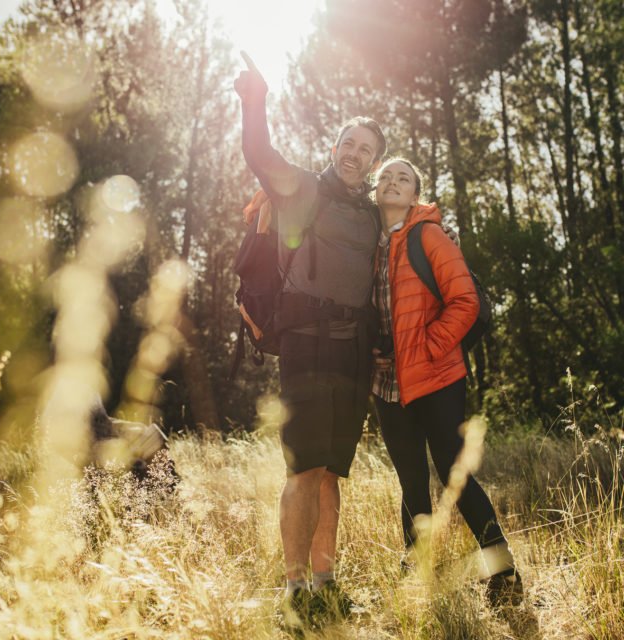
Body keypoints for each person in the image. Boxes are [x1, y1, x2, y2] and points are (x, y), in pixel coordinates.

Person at [234, 52, 385, 625]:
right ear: (334, 149)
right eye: (348, 143)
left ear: (372, 162)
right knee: (302, 469)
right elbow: (259, 155)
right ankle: (295, 587)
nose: (354, 154)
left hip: (351, 352)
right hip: (304, 341)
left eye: (366, 149)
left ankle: (327, 580)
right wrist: (256, 101)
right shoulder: (302, 190)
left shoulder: (372, 215)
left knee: (330, 472)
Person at [371, 157, 522, 606]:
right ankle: (417, 570)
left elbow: (465, 302)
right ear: (375, 191)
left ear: (415, 194)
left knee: (454, 474)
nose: (393, 182)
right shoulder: (368, 246)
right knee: (411, 480)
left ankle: (504, 570)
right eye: (385, 177)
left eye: (403, 178)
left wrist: (425, 348)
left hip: (437, 376)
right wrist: (372, 349)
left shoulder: (429, 235)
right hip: (387, 384)